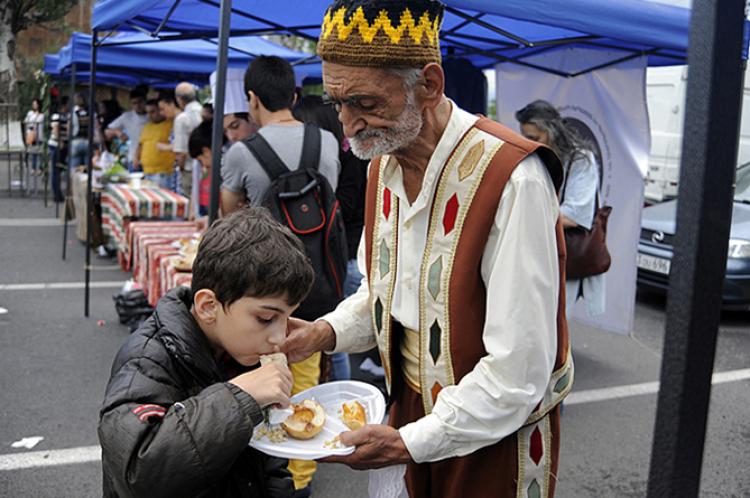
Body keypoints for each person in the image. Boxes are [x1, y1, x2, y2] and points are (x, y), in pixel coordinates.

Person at [282, 2, 571, 497]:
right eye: (337, 104)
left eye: (366, 104)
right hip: (407, 408)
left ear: (430, 84)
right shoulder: (381, 167)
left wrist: (410, 442)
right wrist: (323, 332)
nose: (349, 126)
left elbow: (519, 372)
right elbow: (385, 291)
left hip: (493, 433)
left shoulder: (513, 179)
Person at [98, 207, 315, 497]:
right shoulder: (146, 359)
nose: (279, 337)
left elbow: (269, 461)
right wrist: (239, 398)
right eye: (266, 318)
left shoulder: (242, 352)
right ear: (208, 306)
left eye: (287, 318)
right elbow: (139, 471)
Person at [221, 56, 341, 498]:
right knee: (304, 385)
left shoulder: (241, 152)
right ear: (294, 95)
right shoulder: (327, 142)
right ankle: (299, 482)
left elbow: (227, 219)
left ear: (252, 99)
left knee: (253, 384)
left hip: (257, 295)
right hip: (317, 282)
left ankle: (260, 469)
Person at [293, 94, 369, 381]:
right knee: (337, 338)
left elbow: (347, 205)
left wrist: (319, 205)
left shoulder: (349, 157)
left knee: (336, 339)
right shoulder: (350, 153)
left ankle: (340, 397)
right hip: (348, 255)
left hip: (346, 257)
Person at [516, 100, 605, 317]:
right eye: (525, 137)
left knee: (555, 323)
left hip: (565, 252)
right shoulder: (535, 155)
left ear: (551, 132)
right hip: (537, 252)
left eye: (533, 138)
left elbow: (573, 215)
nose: (528, 143)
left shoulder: (581, 160)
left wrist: (525, 217)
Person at [134, 99, 175, 190]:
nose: (149, 115)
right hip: (146, 171)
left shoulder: (171, 125)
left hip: (162, 173)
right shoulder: (147, 126)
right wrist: (136, 158)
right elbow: (141, 144)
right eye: (147, 112)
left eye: (152, 112)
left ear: (160, 110)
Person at [106, 88, 148, 170]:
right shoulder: (127, 116)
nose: (137, 105)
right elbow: (107, 131)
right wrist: (118, 133)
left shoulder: (153, 116)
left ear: (145, 101)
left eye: (140, 102)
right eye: (134, 103)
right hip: (134, 160)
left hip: (152, 160)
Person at [188, 120, 218, 217]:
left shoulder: (225, 163)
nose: (203, 165)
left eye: (201, 160)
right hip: (203, 207)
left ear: (207, 151)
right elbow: (195, 186)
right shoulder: (198, 165)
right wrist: (192, 210)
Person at [48, 96, 70, 203]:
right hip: (56, 145)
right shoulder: (57, 116)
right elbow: (56, 129)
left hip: (62, 144)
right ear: (64, 105)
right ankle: (57, 195)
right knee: (56, 171)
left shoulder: (66, 115)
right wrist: (60, 141)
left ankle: (59, 194)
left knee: (59, 170)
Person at [69, 92, 91, 169]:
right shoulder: (90, 112)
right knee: (87, 168)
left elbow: (69, 127)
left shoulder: (72, 113)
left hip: (76, 140)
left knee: (75, 169)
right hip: (87, 140)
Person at [24, 98, 45, 176]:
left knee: (39, 153)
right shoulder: (30, 113)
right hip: (31, 135)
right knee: (33, 153)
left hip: (39, 135)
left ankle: (40, 168)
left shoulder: (42, 115)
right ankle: (33, 168)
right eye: (33, 104)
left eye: (36, 104)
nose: (34, 105)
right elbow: (26, 121)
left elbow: (39, 122)